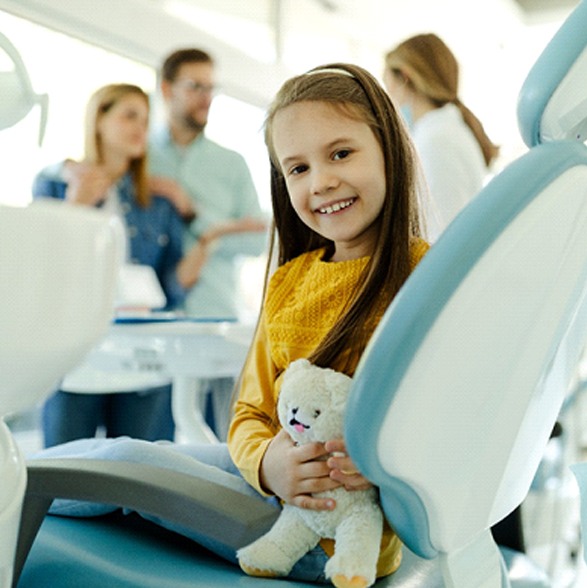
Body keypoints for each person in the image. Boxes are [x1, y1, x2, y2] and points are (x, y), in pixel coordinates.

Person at [35, 63, 429, 583]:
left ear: (389, 150)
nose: (322, 181)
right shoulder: (290, 281)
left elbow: (445, 418)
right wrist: (268, 463)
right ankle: (17, 481)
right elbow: (249, 411)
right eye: (297, 169)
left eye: (340, 153)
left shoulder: (424, 275)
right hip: (273, 483)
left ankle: (17, 486)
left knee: (128, 460)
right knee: (140, 453)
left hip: (318, 537)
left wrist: (384, 465)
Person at [32, 83, 211, 447]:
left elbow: (169, 287)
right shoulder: (55, 183)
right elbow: (41, 268)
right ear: (99, 119)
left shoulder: (158, 201)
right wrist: (77, 205)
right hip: (76, 354)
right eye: (129, 116)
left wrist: (206, 241)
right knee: (63, 476)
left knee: (140, 478)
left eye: (146, 120)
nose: (140, 129)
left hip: (144, 353)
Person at [148, 48, 268, 441]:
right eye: (195, 86)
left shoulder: (231, 163)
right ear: (167, 89)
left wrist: (202, 224)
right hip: (152, 321)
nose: (205, 98)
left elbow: (258, 237)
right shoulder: (140, 156)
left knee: (225, 444)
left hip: (215, 319)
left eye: (211, 88)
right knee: (154, 446)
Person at [384, 33, 499, 241]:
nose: (390, 99)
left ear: (405, 77)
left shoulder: (437, 140)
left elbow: (442, 233)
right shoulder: (442, 131)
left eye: (389, 86)